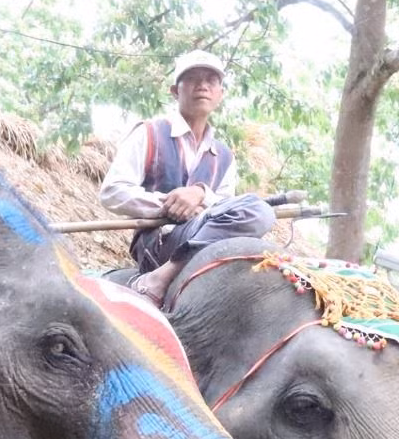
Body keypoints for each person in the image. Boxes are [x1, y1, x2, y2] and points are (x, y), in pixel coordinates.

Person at [99, 50, 275, 305]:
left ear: (220, 94)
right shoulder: (149, 133)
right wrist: (170, 204)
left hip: (204, 237)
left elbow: (226, 209)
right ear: (175, 91)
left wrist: (200, 195)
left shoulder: (224, 156)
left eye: (211, 80)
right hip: (158, 242)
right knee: (260, 211)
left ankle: (174, 272)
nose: (202, 86)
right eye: (192, 78)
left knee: (251, 215)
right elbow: (112, 192)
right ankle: (161, 275)